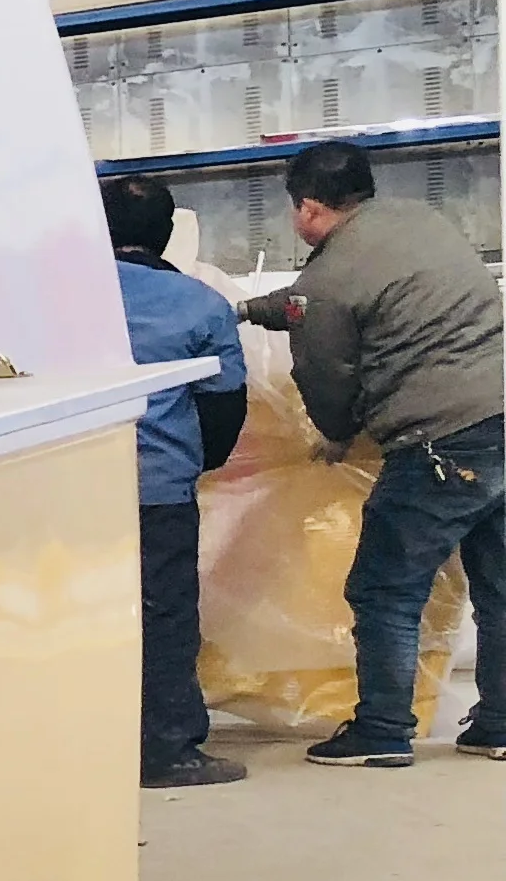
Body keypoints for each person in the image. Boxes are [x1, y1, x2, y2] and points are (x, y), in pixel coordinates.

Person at [238, 141, 506, 766]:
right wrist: (253, 309)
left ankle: (383, 730)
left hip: (438, 441)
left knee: (386, 589)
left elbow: (326, 376)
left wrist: (334, 436)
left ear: (306, 207)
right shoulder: (420, 222)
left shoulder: (329, 280)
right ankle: (498, 725)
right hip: (501, 416)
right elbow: (332, 300)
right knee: (498, 588)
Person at [100, 176, 249, 788]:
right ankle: (166, 749)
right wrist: (196, 462)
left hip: (60, 487)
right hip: (157, 486)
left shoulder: (59, 299)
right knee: (164, 615)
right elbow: (224, 405)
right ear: (166, 234)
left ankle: (82, 742)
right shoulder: (199, 303)